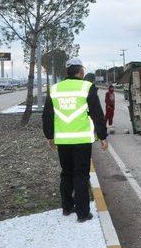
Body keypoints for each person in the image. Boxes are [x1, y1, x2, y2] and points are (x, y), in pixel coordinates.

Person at [42, 58, 108, 222]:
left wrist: (50, 136)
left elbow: (47, 115)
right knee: (81, 175)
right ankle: (83, 213)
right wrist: (102, 136)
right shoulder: (87, 87)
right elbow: (97, 114)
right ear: (81, 71)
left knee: (66, 174)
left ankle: (67, 207)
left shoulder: (55, 89)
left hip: (63, 141)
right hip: (81, 141)